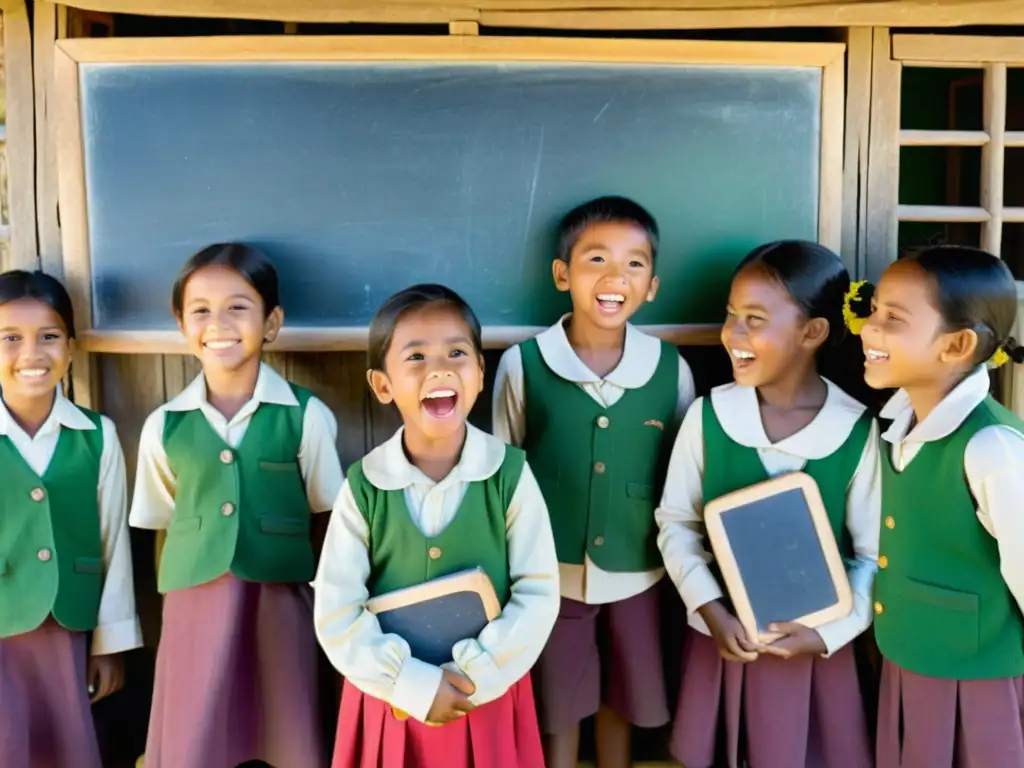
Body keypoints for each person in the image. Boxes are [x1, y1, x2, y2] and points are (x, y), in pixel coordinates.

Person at [314, 283, 559, 768]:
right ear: (382, 385)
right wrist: (411, 684)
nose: (441, 368)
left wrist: (478, 674)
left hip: (484, 693)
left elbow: (539, 592)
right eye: (417, 356)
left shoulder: (509, 476)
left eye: (456, 352)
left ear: (480, 373)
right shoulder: (363, 488)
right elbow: (337, 611)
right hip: (392, 699)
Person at [656, 241, 879, 768]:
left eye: (754, 319)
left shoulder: (855, 432)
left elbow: (871, 556)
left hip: (817, 659)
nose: (732, 334)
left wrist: (826, 635)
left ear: (813, 332)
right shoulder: (709, 416)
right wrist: (709, 608)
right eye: (731, 315)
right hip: (722, 641)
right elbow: (676, 523)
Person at [493, 196, 695, 768]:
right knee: (559, 697)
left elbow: (681, 473)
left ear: (653, 285)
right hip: (550, 571)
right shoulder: (524, 364)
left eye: (634, 264)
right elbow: (506, 467)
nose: (615, 278)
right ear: (563, 274)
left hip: (639, 565)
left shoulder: (669, 369)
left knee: (624, 695)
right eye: (597, 259)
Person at [130, 243, 343, 768]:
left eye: (238, 307)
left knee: (285, 723)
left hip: (280, 597)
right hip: (192, 600)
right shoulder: (165, 424)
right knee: (197, 730)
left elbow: (328, 513)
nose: (218, 323)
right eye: (200, 310)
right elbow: (158, 520)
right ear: (181, 324)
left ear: (271, 323)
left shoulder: (305, 415)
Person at [856, 245, 1024, 767]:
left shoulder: (993, 448)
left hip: (981, 677)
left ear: (958, 345)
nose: (869, 330)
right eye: (874, 310)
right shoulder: (898, 424)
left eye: (893, 319)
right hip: (911, 660)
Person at [0, 269, 142, 768]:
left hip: (67, 630)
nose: (32, 353)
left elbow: (112, 544)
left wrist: (111, 644)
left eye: (49, 336)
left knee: (66, 747)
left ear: (72, 348)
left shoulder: (97, 437)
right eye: (10, 338)